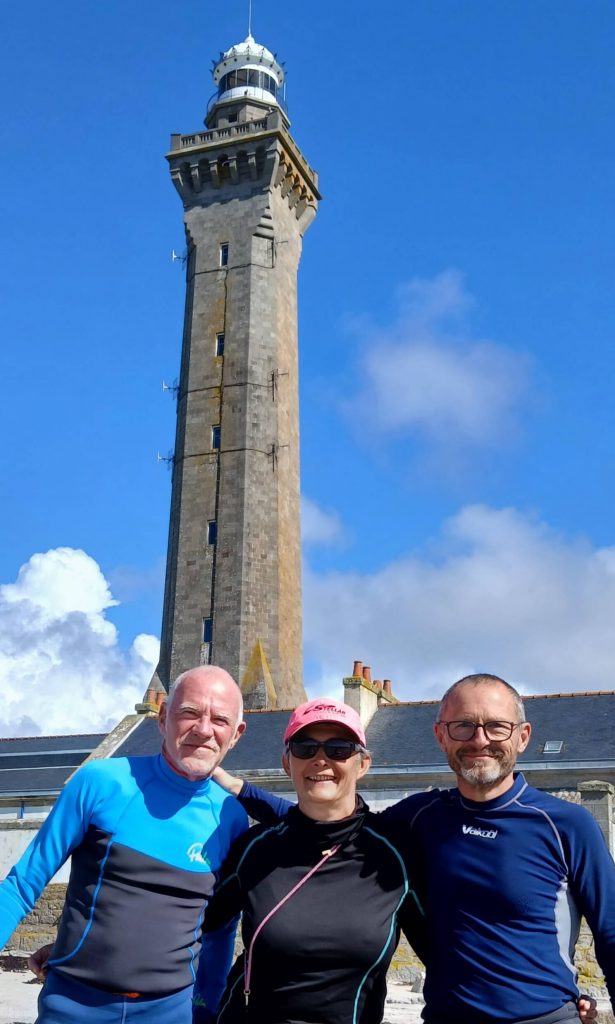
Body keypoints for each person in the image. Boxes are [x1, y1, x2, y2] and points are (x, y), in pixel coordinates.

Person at [215, 674, 614, 1024]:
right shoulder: (420, 818)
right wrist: (242, 789)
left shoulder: (565, 824)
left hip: (544, 1018)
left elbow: (610, 932)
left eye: (496, 727)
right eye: (463, 726)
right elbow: (329, 819)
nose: (479, 740)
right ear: (441, 735)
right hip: (446, 1017)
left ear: (522, 736)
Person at [0, 665, 248, 1024]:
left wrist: (208, 1006)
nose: (204, 729)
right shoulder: (100, 782)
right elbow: (21, 886)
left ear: (237, 734)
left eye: (220, 720)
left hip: (171, 1014)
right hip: (72, 1007)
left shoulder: (231, 816)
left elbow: (221, 928)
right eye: (189, 713)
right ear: (163, 718)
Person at [195, 696, 424, 1024]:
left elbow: (447, 957)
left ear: (363, 763)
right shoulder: (255, 849)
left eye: (339, 748)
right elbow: (193, 927)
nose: (320, 760)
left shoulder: (395, 856)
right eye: (305, 747)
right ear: (287, 763)